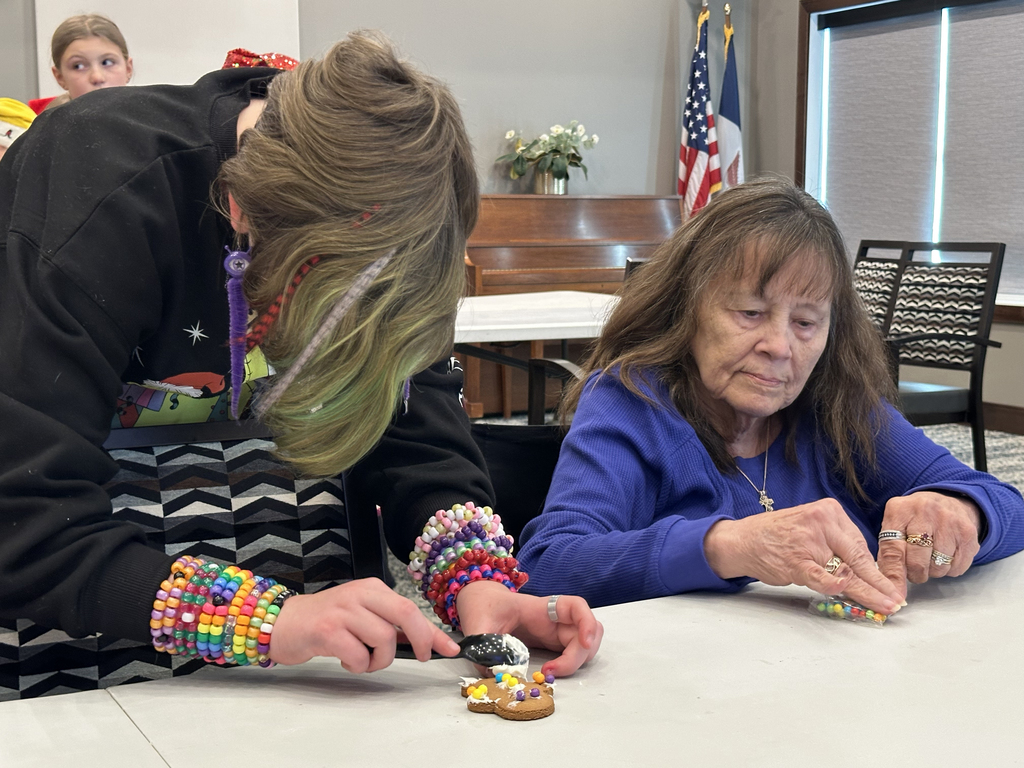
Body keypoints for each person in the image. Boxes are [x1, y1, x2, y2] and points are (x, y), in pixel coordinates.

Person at [0, 31, 600, 682]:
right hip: (71, 637)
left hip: (306, 651)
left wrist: (476, 582)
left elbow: (418, 436)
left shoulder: (394, 216)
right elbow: (25, 517)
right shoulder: (97, 176)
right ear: (239, 210)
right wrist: (270, 620)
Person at [517, 178, 1024, 614]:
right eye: (749, 313)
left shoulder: (836, 404)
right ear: (686, 308)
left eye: (806, 322)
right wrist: (730, 546)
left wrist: (963, 510)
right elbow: (549, 566)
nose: (780, 347)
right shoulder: (631, 402)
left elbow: (1009, 507)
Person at [32, 13, 133, 112]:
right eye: (78, 66)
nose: (97, 77)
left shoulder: (147, 120)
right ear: (60, 77)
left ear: (128, 69)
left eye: (107, 62)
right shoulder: (49, 127)